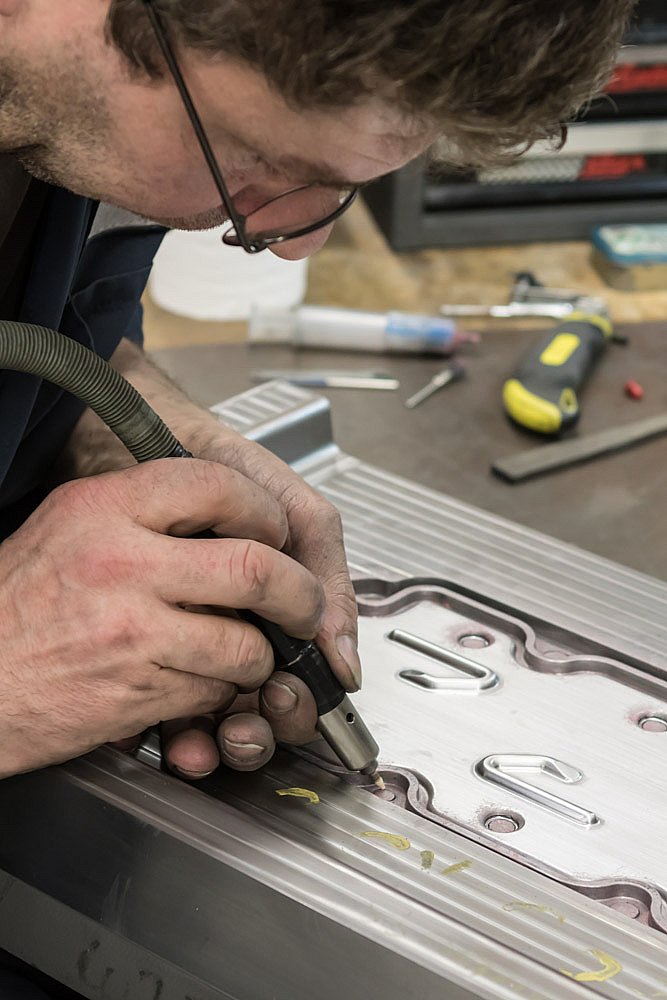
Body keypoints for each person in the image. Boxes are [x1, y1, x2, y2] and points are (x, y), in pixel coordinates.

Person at [0, 0, 635, 990]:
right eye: (257, 161)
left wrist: (123, 435)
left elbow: (53, 317)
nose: (289, 244)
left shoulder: (67, 108)